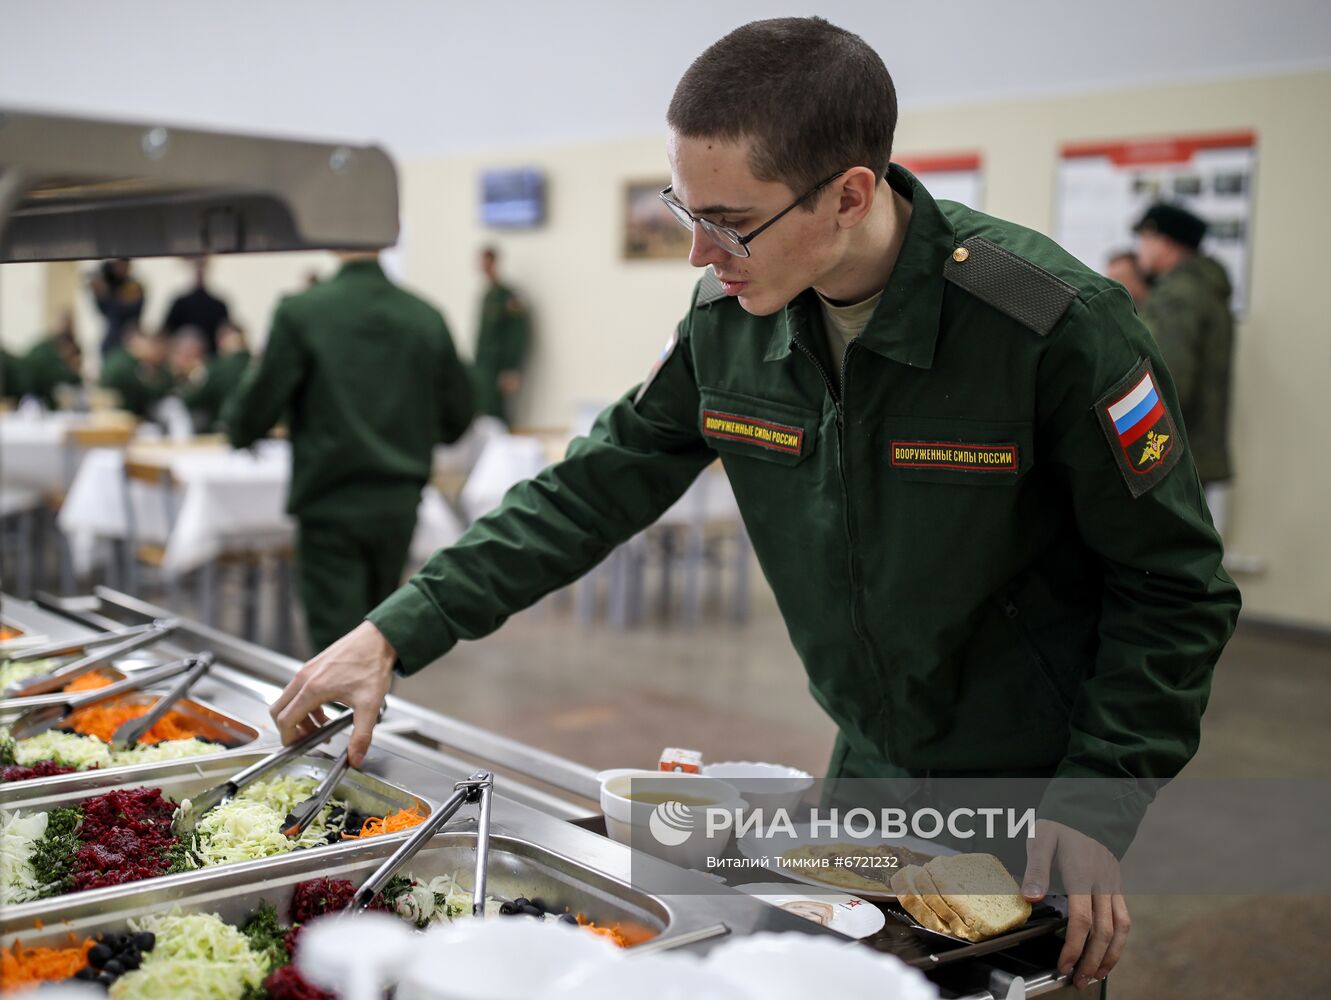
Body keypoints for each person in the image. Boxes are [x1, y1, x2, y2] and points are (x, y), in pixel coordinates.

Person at [271, 19, 1239, 989]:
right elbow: (590, 486)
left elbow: (1172, 587)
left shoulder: (1044, 327)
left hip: (1032, 789)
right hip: (865, 770)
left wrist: (1097, 796)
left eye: (729, 220)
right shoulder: (730, 324)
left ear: (849, 193)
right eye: (680, 209)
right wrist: (399, 628)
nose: (697, 251)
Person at [222, 251, 476, 654]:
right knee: (381, 640)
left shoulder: (302, 312)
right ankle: (369, 716)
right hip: (398, 502)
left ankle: (345, 718)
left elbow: (254, 411)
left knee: (338, 646)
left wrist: (242, 429)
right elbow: (460, 414)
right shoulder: (424, 316)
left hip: (330, 500)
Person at [1134, 203, 1236, 532]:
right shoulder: (1206, 290)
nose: (1141, 249)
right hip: (1193, 451)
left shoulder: (1177, 295)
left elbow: (1167, 380)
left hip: (1168, 456)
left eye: (1145, 238)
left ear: (1166, 243)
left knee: (1159, 552)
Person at [471, 246, 531, 426]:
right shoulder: (488, 295)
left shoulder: (508, 297)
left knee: (498, 416)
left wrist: (512, 369)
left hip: (499, 368)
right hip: (483, 367)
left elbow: (518, 334)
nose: (485, 267)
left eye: (488, 263)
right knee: (483, 413)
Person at [98, 323, 172, 418]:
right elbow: (148, 393)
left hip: (118, 414)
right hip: (116, 416)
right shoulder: (126, 364)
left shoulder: (122, 357)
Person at [12, 314, 83, 409]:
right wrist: (77, 375)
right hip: (24, 388)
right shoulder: (49, 355)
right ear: (68, 348)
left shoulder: (48, 346)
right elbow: (61, 376)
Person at [164, 256, 231, 355]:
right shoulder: (180, 303)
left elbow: (224, 334)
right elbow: (168, 332)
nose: (199, 271)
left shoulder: (218, 305)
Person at [89, 259, 146, 357]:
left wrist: (106, 295)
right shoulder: (111, 285)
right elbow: (104, 312)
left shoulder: (134, 287)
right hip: (112, 340)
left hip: (130, 339)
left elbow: (125, 310)